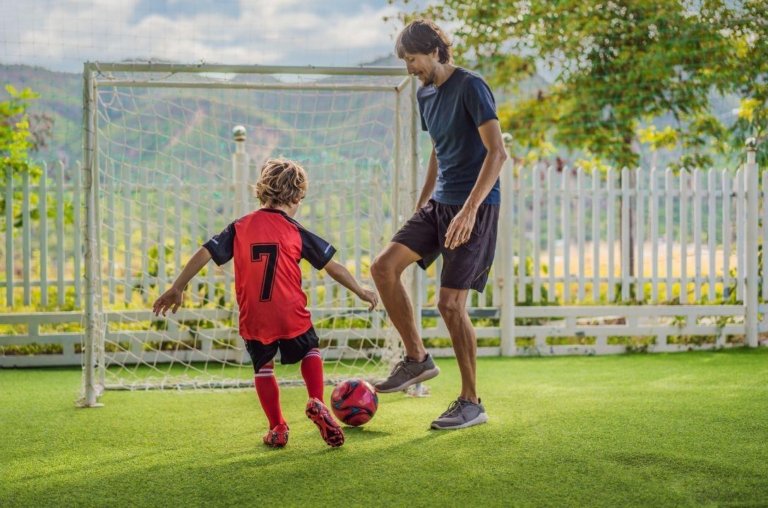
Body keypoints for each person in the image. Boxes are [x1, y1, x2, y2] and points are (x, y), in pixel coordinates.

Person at [152, 158, 378, 448]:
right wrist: (360, 290)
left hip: (254, 315)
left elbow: (206, 252)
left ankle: (278, 427)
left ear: (261, 191)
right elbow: (332, 267)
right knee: (310, 349)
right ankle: (317, 401)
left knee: (264, 368)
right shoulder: (295, 230)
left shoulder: (240, 226)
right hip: (290, 310)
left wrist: (177, 287)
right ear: (296, 197)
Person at [371, 20, 508, 430]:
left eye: (412, 59)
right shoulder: (424, 94)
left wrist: (468, 210)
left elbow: (497, 153)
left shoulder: (471, 86)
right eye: (406, 62)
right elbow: (437, 150)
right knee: (383, 267)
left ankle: (471, 402)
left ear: (433, 50)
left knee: (450, 304)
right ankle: (417, 358)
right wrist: (422, 202)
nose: (410, 68)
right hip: (439, 205)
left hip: (476, 208)